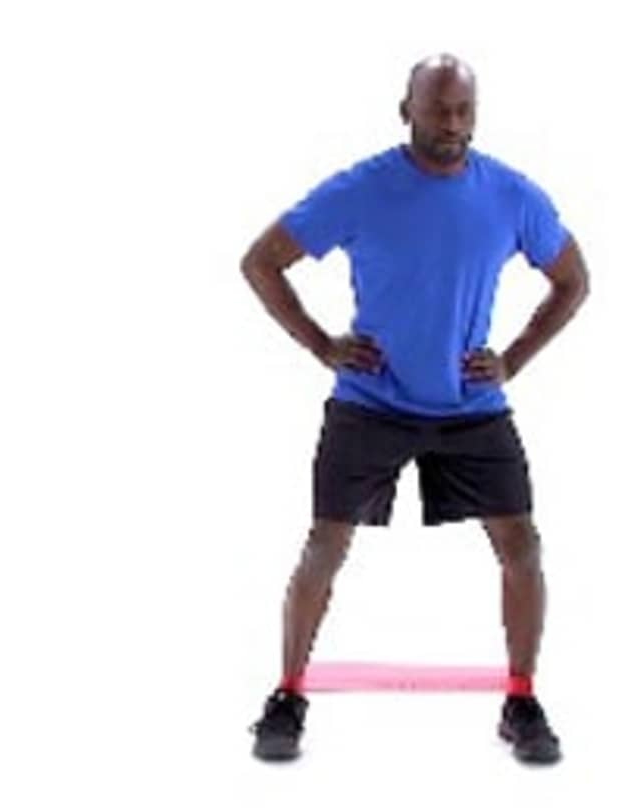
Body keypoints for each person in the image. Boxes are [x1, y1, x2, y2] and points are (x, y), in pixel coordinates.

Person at [239, 53, 590, 765]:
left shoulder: (512, 195)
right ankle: (287, 695)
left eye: (463, 111)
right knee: (324, 547)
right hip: (371, 401)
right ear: (407, 111)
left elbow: (573, 281)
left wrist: (513, 360)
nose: (451, 125)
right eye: (438, 110)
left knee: (521, 545)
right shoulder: (361, 188)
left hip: (471, 406)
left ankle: (521, 698)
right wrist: (320, 344)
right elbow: (262, 260)